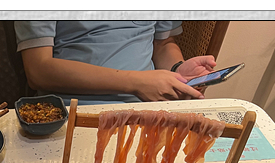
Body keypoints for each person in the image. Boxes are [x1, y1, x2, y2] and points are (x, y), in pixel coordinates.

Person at [14, 21, 215, 105]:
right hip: (74, 110)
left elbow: (162, 43)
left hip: (151, 108)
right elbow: (38, 70)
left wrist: (178, 71)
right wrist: (136, 83)